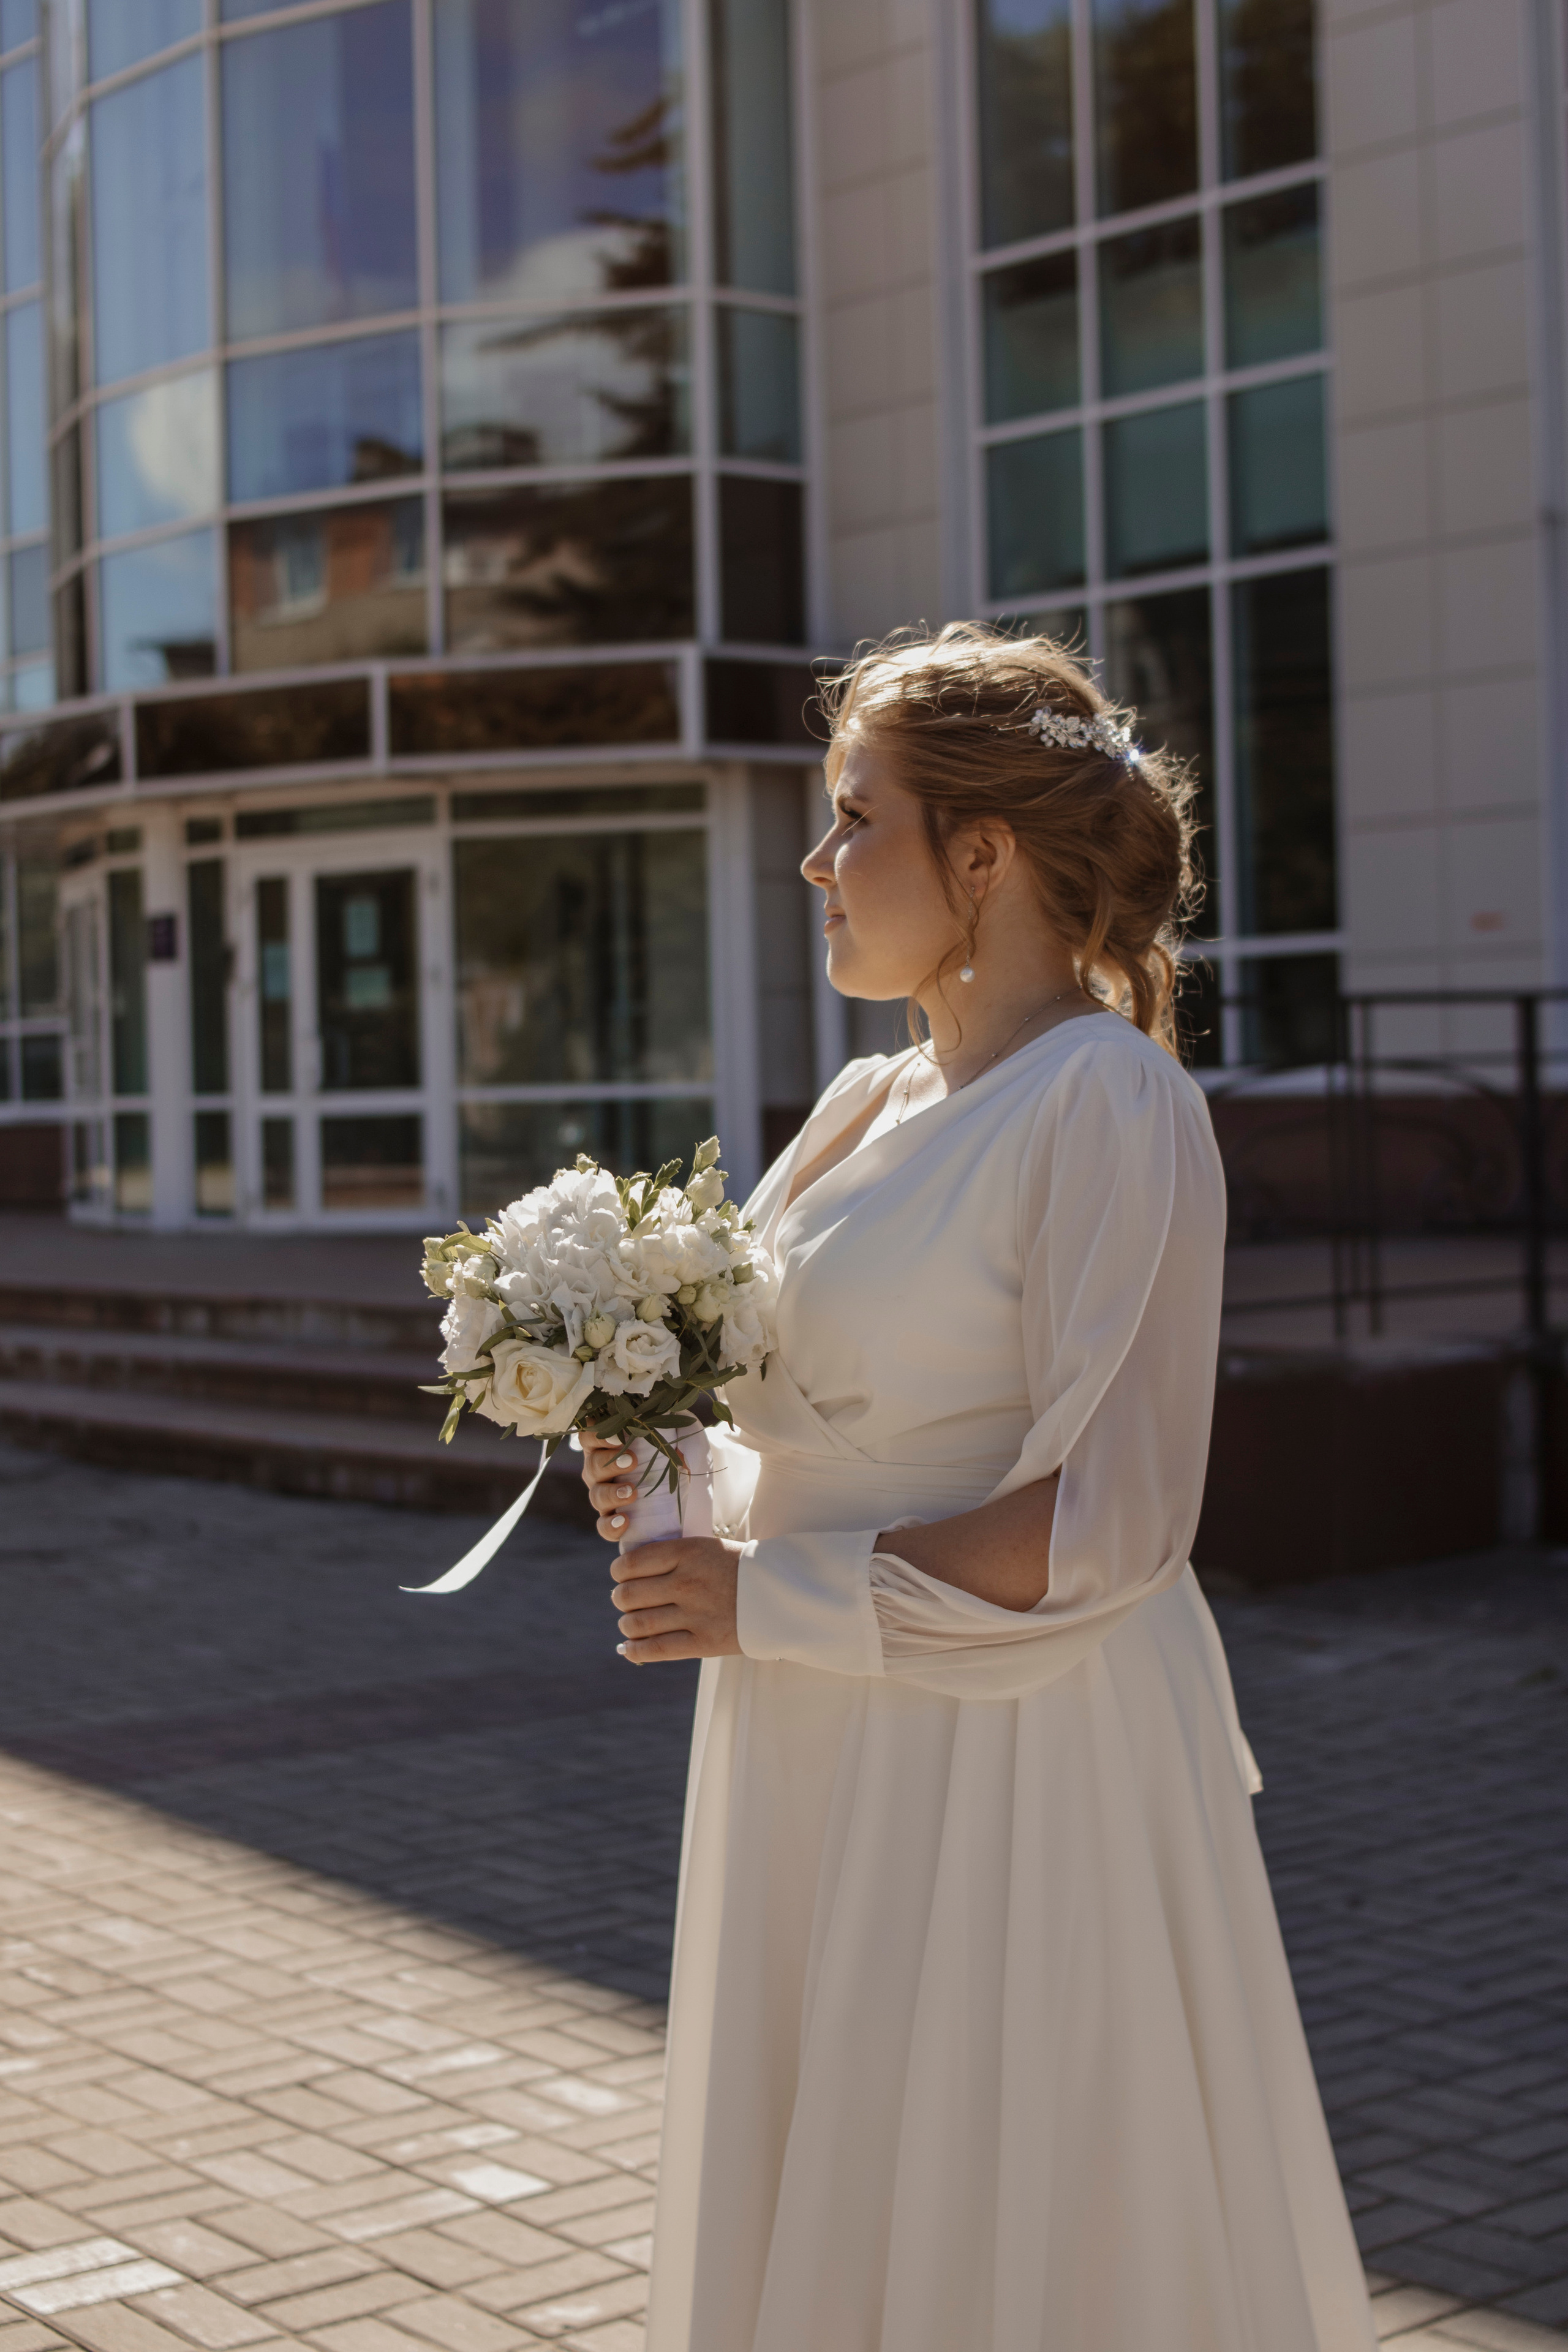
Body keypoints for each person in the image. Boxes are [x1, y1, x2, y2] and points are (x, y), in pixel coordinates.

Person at [579, 623, 1376, 2352]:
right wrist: (678, 1473)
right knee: (830, 2187)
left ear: (984, 856)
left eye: (856, 816)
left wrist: (763, 1594)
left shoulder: (1110, 1102)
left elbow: (1111, 1523)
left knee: (1003, 2198)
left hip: (1003, 1745)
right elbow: (819, 1416)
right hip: (810, 1731)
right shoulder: (863, 1101)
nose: (818, 862)